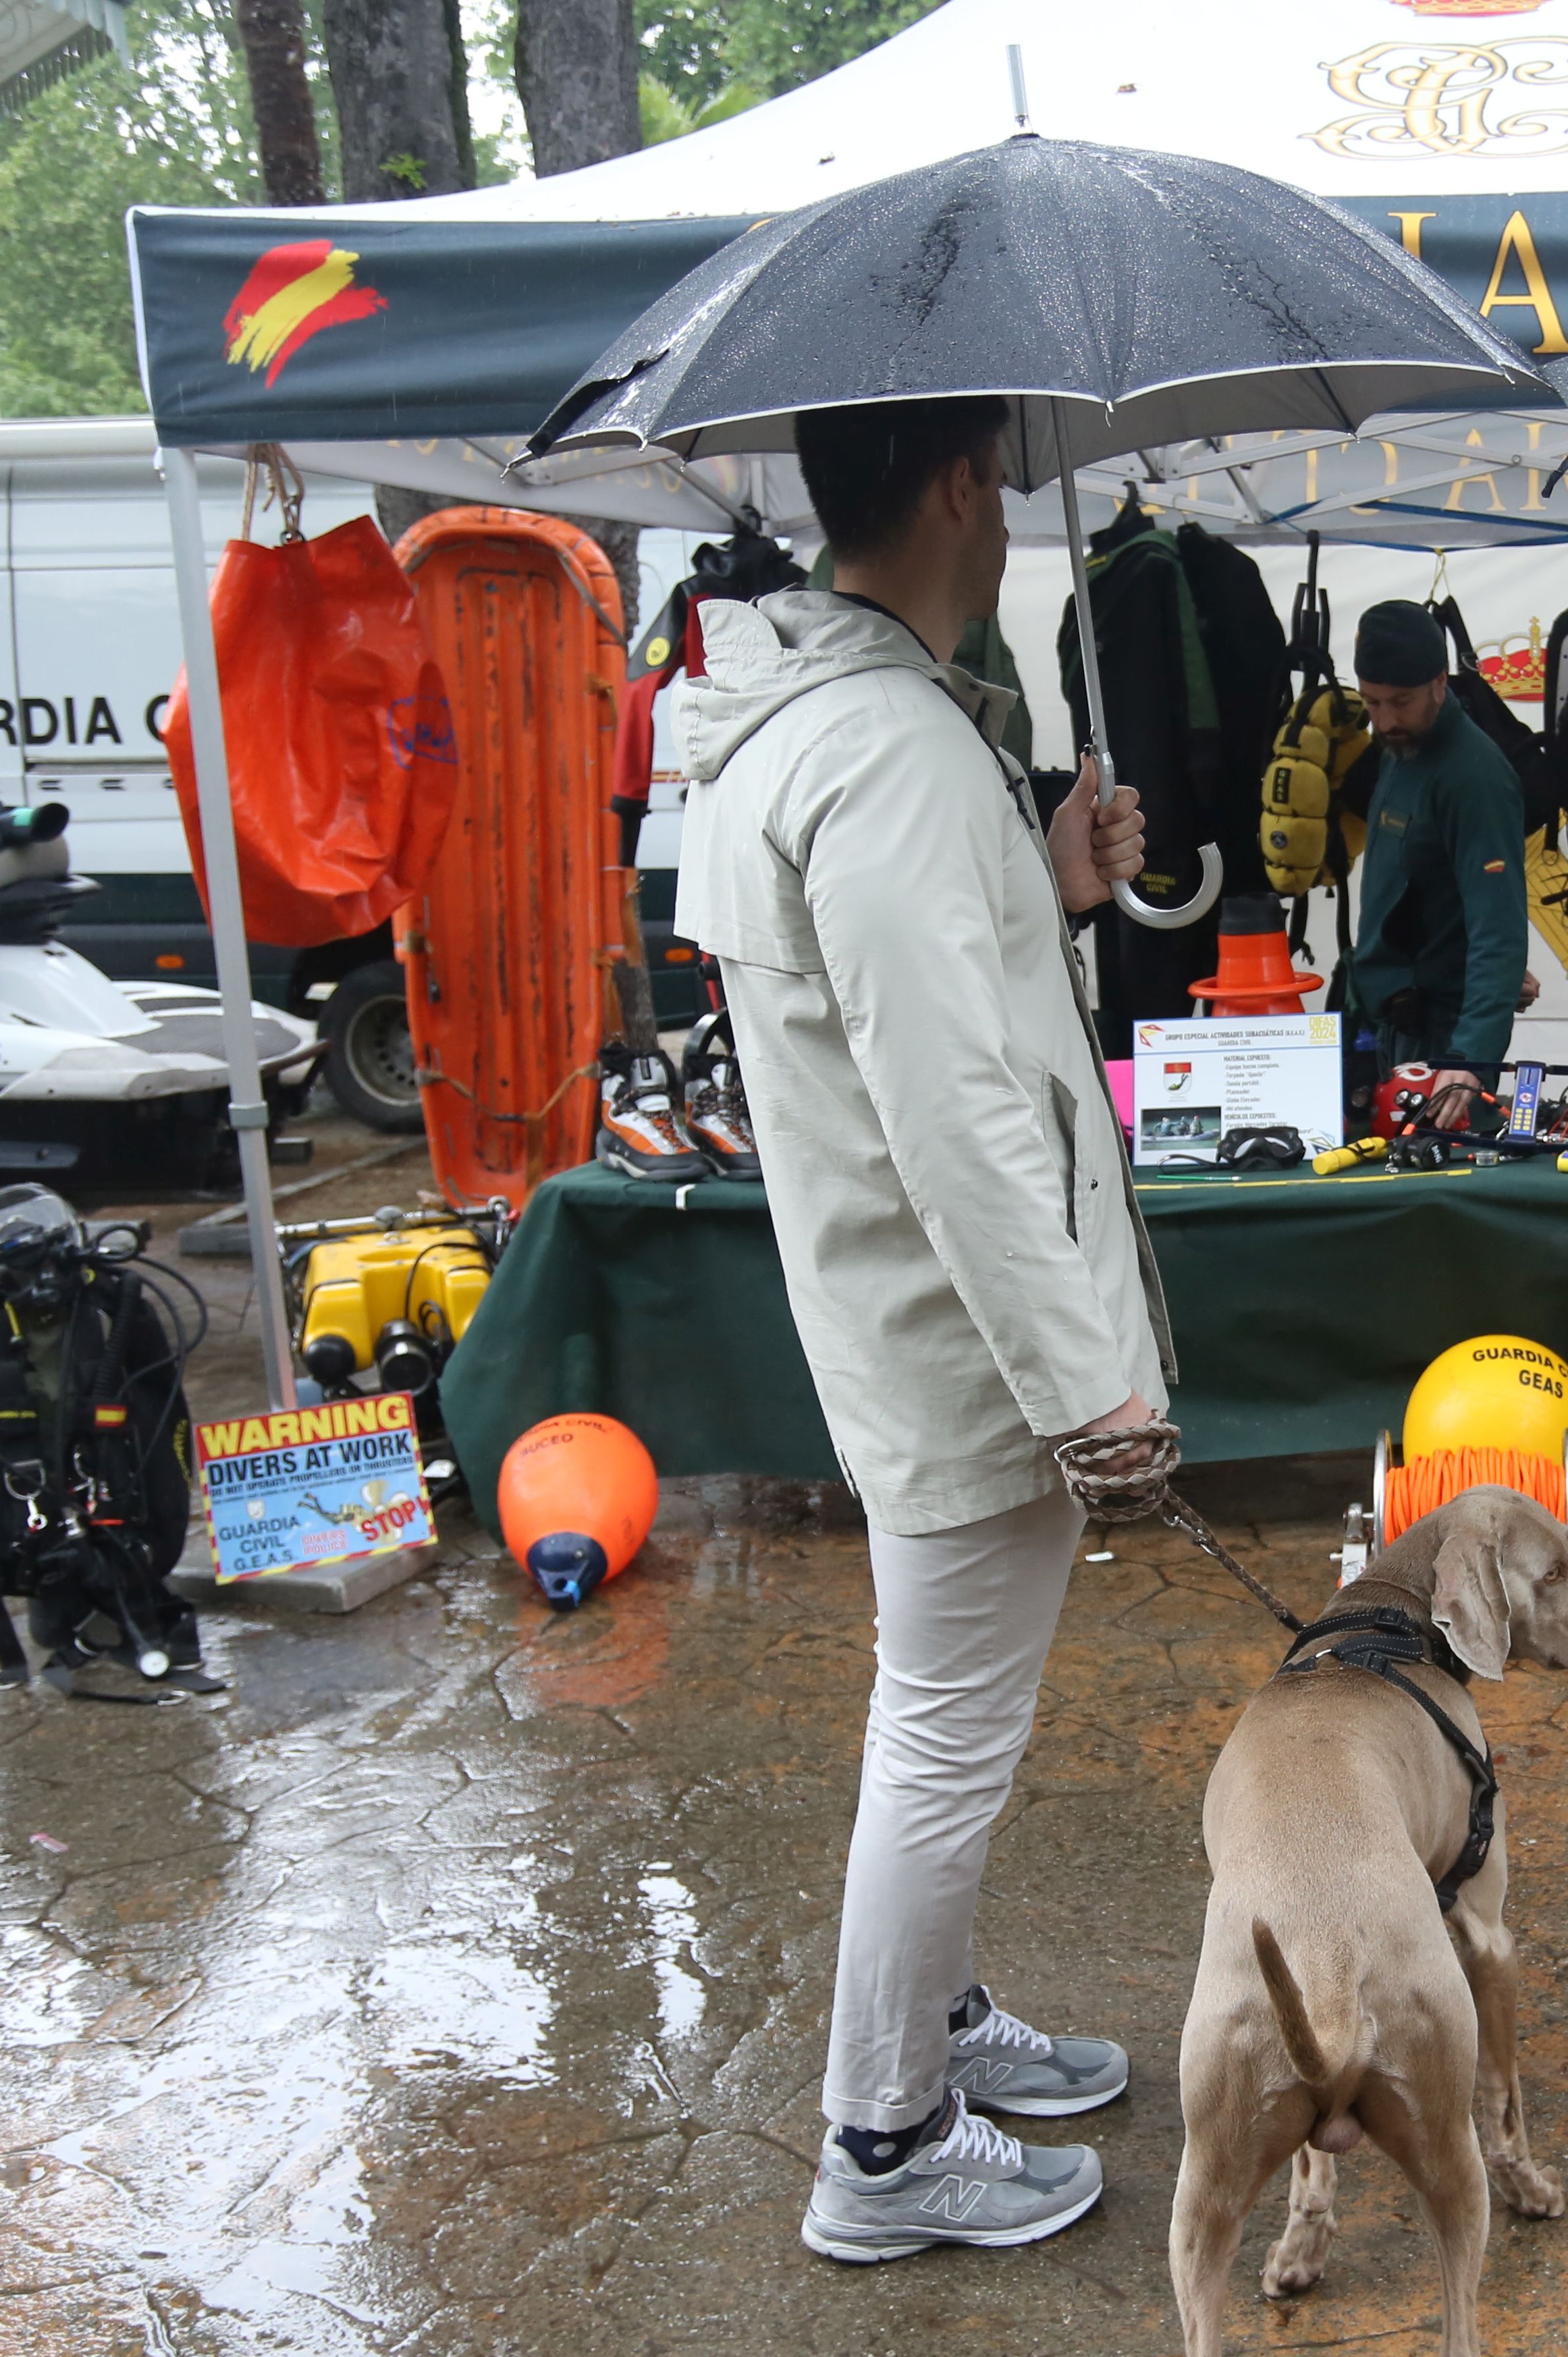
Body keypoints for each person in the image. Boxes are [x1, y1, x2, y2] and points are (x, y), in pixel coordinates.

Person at [674, 393, 1174, 2263]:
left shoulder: (857, 732)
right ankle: (881, 2142)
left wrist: (1040, 884)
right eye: (1012, 483)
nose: (1021, 514)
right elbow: (953, 1117)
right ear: (962, 485)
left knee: (946, 1721)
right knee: (945, 1734)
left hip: (918, 1318)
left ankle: (938, 2023)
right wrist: (1086, 1386)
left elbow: (902, 1012)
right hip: (957, 1336)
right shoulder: (883, 751)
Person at [1339, 599, 1533, 1133]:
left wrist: (1469, 1059)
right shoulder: (1401, 752)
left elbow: (1500, 928)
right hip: (1388, 1025)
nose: (1386, 720)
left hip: (1441, 1043)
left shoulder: (1472, 777)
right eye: (1372, 703)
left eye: (1401, 702)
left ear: (1440, 684)